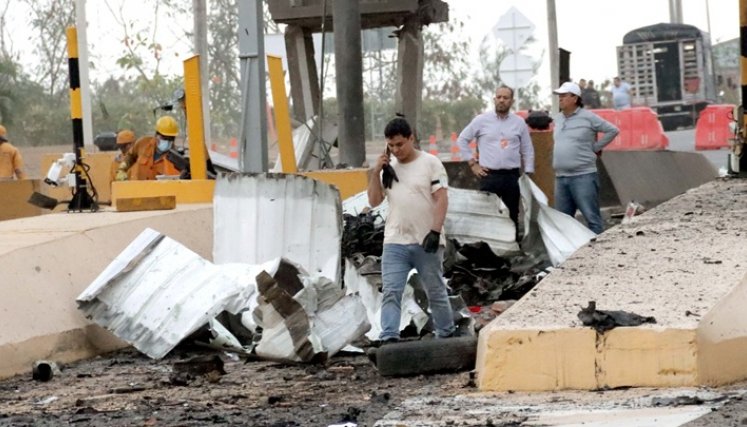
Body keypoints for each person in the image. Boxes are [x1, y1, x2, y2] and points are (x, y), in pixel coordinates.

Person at [367, 117, 455, 343]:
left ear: (411, 139)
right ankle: (389, 336)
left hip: (425, 240)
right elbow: (374, 200)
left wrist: (435, 232)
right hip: (395, 240)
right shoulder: (390, 169)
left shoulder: (430, 163)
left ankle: (446, 334)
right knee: (391, 292)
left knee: (435, 291)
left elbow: (441, 199)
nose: (396, 150)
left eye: (400, 144)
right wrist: (376, 172)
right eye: (392, 145)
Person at [456, 85, 534, 236]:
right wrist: (473, 164)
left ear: (512, 101)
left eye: (505, 98)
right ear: (494, 99)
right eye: (499, 97)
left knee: (512, 214)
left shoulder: (519, 123)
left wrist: (528, 173)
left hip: (512, 177)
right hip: (489, 176)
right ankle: (488, 253)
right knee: (487, 215)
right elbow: (462, 140)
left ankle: (511, 250)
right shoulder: (481, 120)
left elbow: (527, 149)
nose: (501, 101)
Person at [552, 81, 619, 234]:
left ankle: (597, 253)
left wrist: (595, 148)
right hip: (561, 178)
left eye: (563, 95)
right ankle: (569, 255)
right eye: (559, 96)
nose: (560, 99)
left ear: (575, 98)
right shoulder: (558, 119)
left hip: (583, 176)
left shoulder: (588, 117)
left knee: (592, 218)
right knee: (563, 221)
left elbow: (612, 130)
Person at [115, 116, 181, 181]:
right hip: (140, 189)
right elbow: (130, 156)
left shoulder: (176, 159)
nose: (167, 141)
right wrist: (122, 169)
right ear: (156, 134)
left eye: (171, 138)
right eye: (164, 138)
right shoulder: (143, 144)